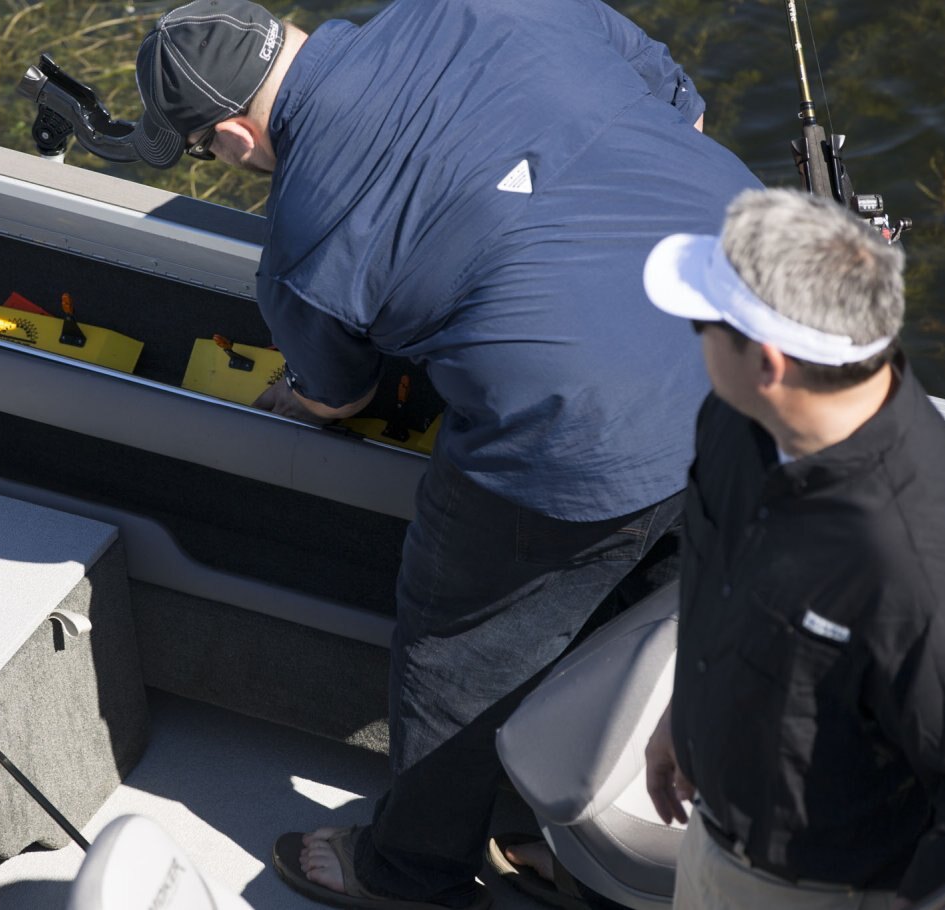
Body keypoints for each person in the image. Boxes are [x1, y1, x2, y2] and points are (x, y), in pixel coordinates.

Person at [132, 0, 761, 907]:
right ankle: (603, 849)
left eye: (202, 152)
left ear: (232, 137)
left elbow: (336, 395)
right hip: (766, 353)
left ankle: (409, 873)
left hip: (589, 439)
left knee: (459, 649)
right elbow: (684, 110)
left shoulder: (303, 247)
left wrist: (294, 393)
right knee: (663, 616)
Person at [641, 187, 945, 909]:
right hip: (712, 834)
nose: (695, 338)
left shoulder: (921, 563)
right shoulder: (733, 421)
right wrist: (684, 718)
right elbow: (726, 581)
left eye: (703, 323)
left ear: (768, 363)